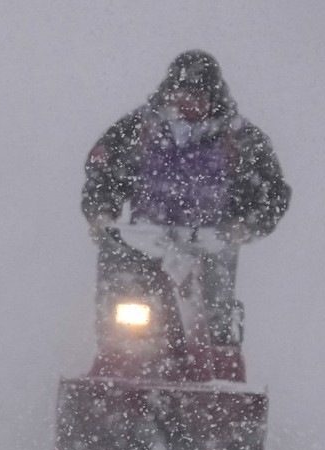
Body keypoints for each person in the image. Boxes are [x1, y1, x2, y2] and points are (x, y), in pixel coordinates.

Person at [81, 50, 290, 347]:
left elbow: (272, 190)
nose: (188, 104)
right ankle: (117, 359)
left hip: (209, 246)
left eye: (198, 97)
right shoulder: (140, 129)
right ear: (169, 92)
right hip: (143, 242)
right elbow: (102, 169)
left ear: (213, 99)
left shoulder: (240, 139)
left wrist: (246, 224)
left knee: (212, 330)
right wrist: (101, 212)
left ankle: (214, 362)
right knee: (124, 320)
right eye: (181, 95)